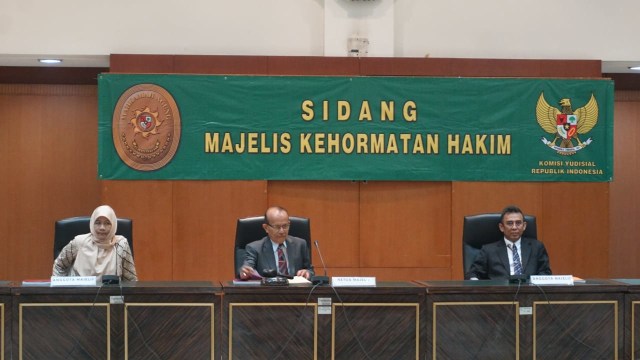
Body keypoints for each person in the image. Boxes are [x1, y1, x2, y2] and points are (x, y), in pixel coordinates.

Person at [465, 205, 552, 280]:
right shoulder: (488, 251)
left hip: (529, 295)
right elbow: (473, 274)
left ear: (524, 226)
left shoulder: (536, 247)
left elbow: (545, 273)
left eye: (518, 223)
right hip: (499, 296)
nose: (514, 227)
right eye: (510, 223)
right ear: (501, 227)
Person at [52, 205, 138, 281]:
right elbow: (59, 266)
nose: (102, 228)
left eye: (107, 223)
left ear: (114, 225)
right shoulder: (79, 242)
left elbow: (130, 279)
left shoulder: (121, 245)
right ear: (92, 224)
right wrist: (61, 291)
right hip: (78, 295)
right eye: (98, 223)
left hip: (110, 296)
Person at [239, 206, 314, 280]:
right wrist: (244, 273)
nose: (282, 231)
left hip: (295, 290)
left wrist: (307, 272)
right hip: (268, 291)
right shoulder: (254, 248)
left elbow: (310, 270)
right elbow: (247, 268)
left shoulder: (300, 244)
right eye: (277, 227)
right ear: (266, 228)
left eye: (285, 226)